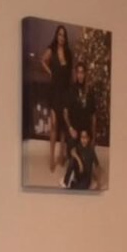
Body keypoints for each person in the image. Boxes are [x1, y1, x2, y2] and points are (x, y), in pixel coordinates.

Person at [41, 24, 72, 171]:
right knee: (54, 125)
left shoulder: (68, 53)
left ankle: (61, 156)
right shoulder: (51, 49)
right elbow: (42, 60)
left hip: (65, 92)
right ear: (56, 36)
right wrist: (51, 72)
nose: (61, 37)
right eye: (60, 34)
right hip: (54, 92)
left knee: (64, 126)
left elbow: (70, 75)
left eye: (64, 35)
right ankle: (51, 158)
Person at [63, 61, 98, 159]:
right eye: (78, 72)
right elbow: (65, 113)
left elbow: (93, 116)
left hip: (86, 131)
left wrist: (94, 137)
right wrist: (70, 128)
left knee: (86, 162)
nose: (80, 75)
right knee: (74, 161)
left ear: (85, 74)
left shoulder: (89, 91)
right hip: (74, 130)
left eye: (82, 72)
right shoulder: (71, 90)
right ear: (75, 74)